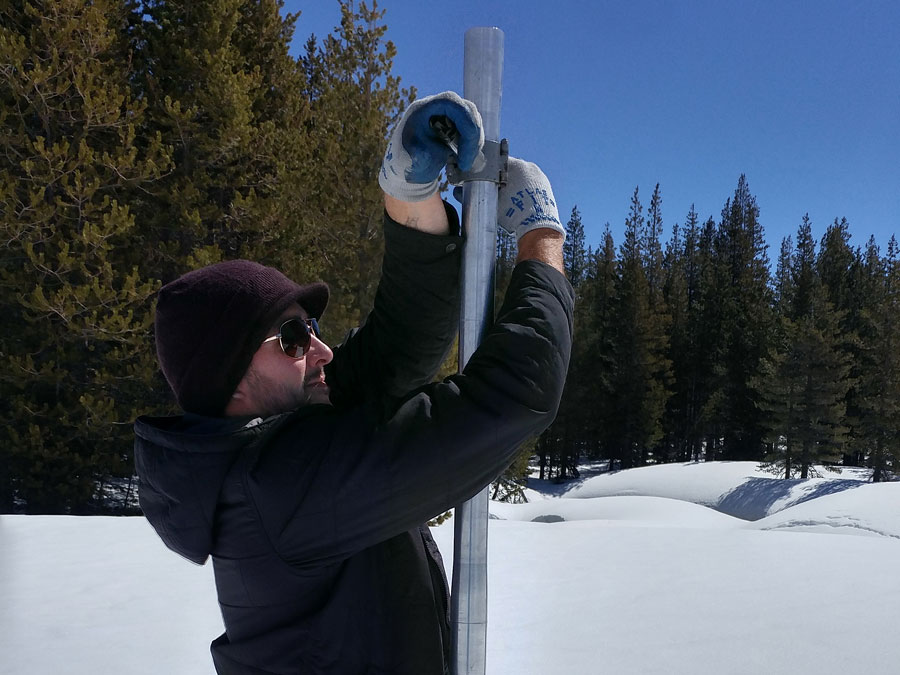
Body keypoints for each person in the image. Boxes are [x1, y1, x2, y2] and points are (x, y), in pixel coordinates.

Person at [134, 91, 574, 675]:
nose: (320, 349)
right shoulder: (281, 485)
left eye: (310, 328)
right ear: (228, 374)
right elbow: (516, 392)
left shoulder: (268, 443)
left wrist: (411, 198)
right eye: (291, 338)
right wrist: (541, 240)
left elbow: (399, 344)